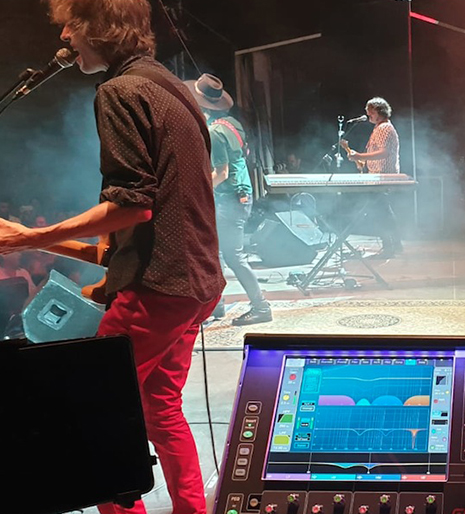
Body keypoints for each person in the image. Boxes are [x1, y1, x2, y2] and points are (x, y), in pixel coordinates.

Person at [0, 1, 225, 512]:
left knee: (92, 414)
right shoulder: (171, 87)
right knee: (160, 409)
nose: (64, 37)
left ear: (99, 27)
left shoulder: (119, 91)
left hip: (158, 291)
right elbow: (142, 224)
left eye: (71, 26)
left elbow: (133, 205)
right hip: (197, 286)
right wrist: (29, 237)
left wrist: (31, 237)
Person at [187, 73, 273, 325]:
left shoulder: (214, 132)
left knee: (233, 256)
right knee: (217, 254)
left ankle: (261, 307)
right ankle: (217, 305)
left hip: (230, 200)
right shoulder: (232, 123)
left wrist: (196, 192)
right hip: (239, 196)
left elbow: (221, 173)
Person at [344, 97, 402, 258]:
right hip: (378, 176)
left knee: (382, 213)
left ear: (379, 111)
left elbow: (384, 152)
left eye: (371, 111)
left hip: (383, 177)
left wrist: (360, 156)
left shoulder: (384, 128)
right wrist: (362, 161)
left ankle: (390, 247)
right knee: (384, 212)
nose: (368, 113)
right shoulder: (380, 127)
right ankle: (395, 245)